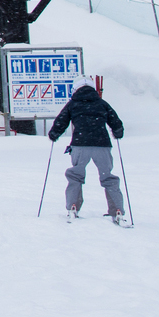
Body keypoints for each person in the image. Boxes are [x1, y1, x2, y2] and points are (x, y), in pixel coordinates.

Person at [50, 81, 126, 220]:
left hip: (80, 144)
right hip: (102, 144)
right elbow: (115, 121)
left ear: (75, 89)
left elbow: (61, 121)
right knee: (108, 177)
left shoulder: (73, 104)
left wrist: (54, 134)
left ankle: (73, 206)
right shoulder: (102, 103)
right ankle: (117, 210)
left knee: (75, 176)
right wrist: (118, 132)